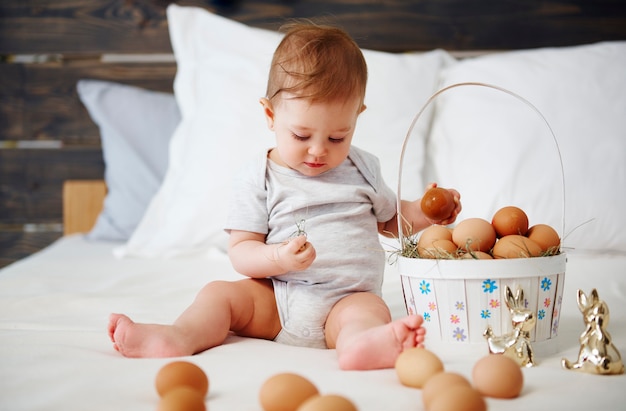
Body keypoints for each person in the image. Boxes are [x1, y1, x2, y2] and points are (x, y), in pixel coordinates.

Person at [108, 22, 461, 370]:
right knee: (219, 294)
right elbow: (242, 252)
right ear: (270, 115)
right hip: (276, 299)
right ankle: (179, 336)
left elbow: (391, 221)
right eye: (301, 135)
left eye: (338, 137)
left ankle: (361, 346)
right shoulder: (258, 176)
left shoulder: (364, 168)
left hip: (347, 298)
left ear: (357, 116)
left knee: (369, 313)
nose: (318, 151)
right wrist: (278, 258)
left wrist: (427, 212)